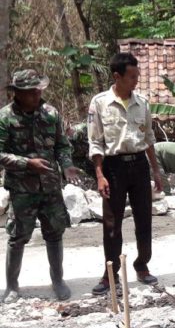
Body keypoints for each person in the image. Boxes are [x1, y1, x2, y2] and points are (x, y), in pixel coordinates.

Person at [0, 70, 79, 303]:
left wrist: (67, 165)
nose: (37, 95)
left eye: (38, 90)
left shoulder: (50, 113)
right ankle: (12, 286)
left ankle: (58, 280)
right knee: (18, 236)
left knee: (54, 233)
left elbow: (62, 146)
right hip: (22, 189)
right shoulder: (5, 118)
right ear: (18, 93)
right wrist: (27, 163)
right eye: (31, 92)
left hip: (50, 186)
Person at [88, 53, 164, 294]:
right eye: (132, 76)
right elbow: (95, 142)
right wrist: (100, 175)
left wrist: (156, 170)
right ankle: (110, 275)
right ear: (117, 76)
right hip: (113, 167)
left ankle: (142, 265)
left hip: (139, 165)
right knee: (112, 224)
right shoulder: (100, 103)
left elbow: (149, 139)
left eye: (137, 76)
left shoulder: (142, 103)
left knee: (144, 219)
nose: (136, 80)